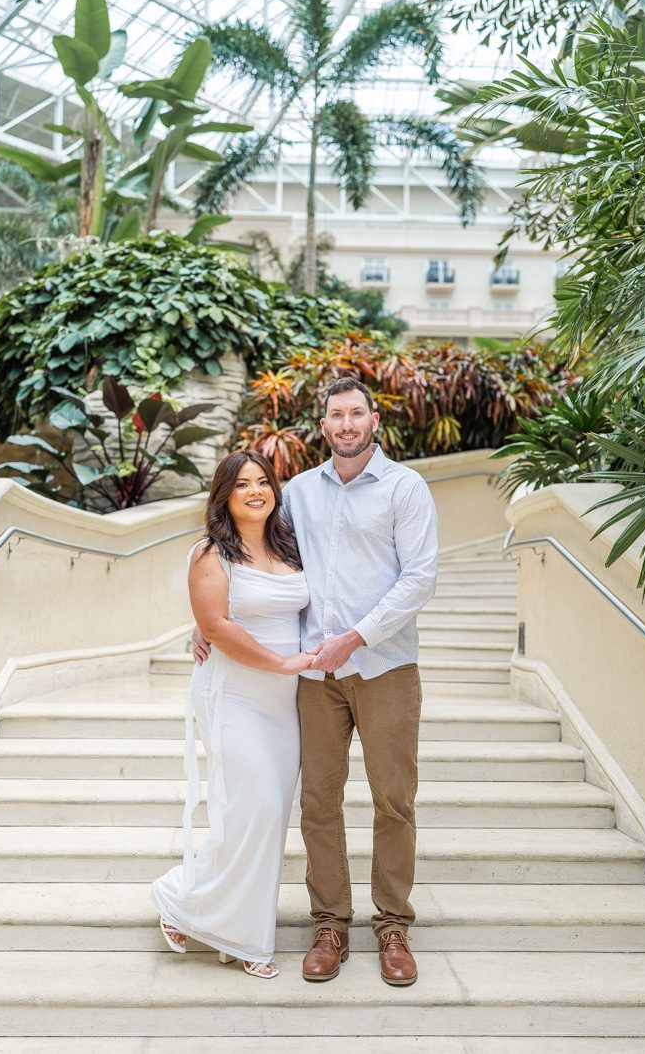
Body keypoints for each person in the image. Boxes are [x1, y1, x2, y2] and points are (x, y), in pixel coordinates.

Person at [194, 378, 438, 987]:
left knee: (393, 800)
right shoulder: (297, 493)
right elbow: (248, 553)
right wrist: (204, 622)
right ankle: (329, 923)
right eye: (337, 415)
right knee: (318, 804)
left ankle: (392, 927)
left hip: (385, 668)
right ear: (323, 425)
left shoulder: (406, 488)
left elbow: (420, 579)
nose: (348, 424)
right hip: (314, 677)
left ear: (374, 420)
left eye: (357, 414)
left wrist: (355, 637)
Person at [151, 450, 315, 979]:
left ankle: (201, 905)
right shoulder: (210, 553)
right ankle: (234, 931)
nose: (254, 491)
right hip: (233, 696)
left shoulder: (290, 545)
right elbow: (217, 626)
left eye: (263, 481)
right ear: (224, 494)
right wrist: (281, 662)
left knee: (260, 818)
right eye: (242, 484)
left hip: (282, 706)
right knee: (256, 805)